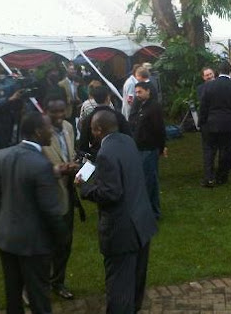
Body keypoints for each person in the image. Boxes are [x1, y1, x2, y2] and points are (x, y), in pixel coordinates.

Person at [76, 111, 157, 314]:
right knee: (135, 282)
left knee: (119, 288)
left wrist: (84, 188)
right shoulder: (128, 141)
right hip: (141, 223)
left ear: (98, 130)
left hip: (121, 231)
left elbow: (110, 193)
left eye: (91, 130)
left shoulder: (106, 153)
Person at [0, 112, 67, 314]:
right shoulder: (42, 165)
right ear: (38, 132)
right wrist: (61, 238)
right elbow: (50, 211)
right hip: (34, 244)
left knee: (13, 296)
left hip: (6, 239)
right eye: (48, 127)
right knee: (39, 298)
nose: (52, 132)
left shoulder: (2, 155)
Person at [42, 95, 82, 300]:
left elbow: (70, 153)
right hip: (47, 197)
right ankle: (35, 285)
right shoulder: (39, 132)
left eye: (62, 111)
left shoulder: (68, 127)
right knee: (45, 244)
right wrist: (60, 169)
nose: (59, 115)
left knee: (65, 243)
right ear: (45, 111)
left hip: (67, 192)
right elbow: (33, 166)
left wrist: (74, 166)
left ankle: (57, 282)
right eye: (54, 112)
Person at [199, 61, 231, 187]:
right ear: (230, 71)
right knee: (225, 150)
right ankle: (222, 177)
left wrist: (202, 122)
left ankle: (209, 177)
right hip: (228, 122)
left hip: (211, 122)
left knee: (209, 151)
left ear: (218, 71)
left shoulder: (209, 86)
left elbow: (203, 106)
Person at [129, 81, 167, 219]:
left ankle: (153, 211)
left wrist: (161, 147)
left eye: (140, 92)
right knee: (145, 179)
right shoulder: (140, 105)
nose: (137, 95)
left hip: (149, 148)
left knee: (150, 180)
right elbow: (132, 121)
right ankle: (148, 209)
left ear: (148, 91)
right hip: (140, 147)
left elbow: (159, 129)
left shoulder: (154, 107)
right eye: (136, 92)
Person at [78, 85, 131, 159]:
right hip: (118, 154)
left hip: (97, 155)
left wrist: (92, 155)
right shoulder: (118, 116)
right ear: (108, 97)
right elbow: (128, 137)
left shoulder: (88, 119)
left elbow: (83, 145)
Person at [58, 63, 82, 132]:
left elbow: (75, 95)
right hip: (66, 110)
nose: (73, 72)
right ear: (67, 71)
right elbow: (62, 97)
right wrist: (70, 101)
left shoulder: (75, 83)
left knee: (74, 128)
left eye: (74, 71)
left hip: (74, 109)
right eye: (71, 70)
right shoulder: (61, 84)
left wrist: (78, 100)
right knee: (68, 128)